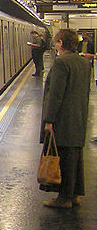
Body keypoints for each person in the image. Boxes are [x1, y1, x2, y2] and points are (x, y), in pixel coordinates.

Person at [41, 29, 90, 208]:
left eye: (56, 42)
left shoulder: (62, 63)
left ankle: (64, 198)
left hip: (63, 117)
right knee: (75, 155)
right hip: (79, 115)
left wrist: (49, 120)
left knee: (64, 157)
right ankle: (75, 194)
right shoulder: (84, 63)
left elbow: (56, 95)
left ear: (61, 42)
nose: (55, 44)